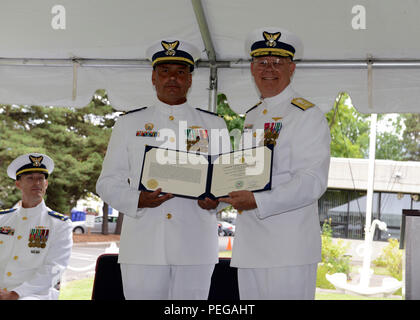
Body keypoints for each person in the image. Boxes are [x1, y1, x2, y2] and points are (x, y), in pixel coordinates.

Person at [96, 39, 230, 300]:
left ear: (190, 80)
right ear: (153, 78)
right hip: (144, 246)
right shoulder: (128, 124)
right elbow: (107, 182)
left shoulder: (215, 125)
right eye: (165, 71)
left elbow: (227, 181)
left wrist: (216, 203)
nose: (173, 79)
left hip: (195, 247)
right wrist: (137, 199)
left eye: (180, 72)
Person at [219, 27, 331, 300]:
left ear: (291, 68)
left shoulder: (307, 115)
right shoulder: (253, 116)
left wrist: (258, 201)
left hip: (288, 250)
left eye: (278, 62)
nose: (269, 69)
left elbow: (312, 181)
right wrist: (219, 196)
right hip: (251, 248)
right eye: (262, 62)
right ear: (252, 68)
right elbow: (247, 175)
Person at [0, 153, 73, 300]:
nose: (37, 183)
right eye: (30, 178)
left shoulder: (60, 225)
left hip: (34, 295)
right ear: (18, 184)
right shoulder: (3, 219)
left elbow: (54, 268)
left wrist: (15, 294)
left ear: (46, 184)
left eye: (41, 178)